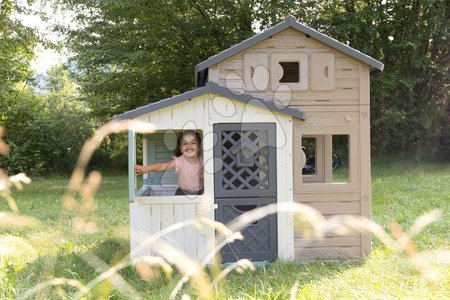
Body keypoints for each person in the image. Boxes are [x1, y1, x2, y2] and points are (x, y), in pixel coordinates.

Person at [134, 130, 204, 196]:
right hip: (182, 193)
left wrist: (204, 175)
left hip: (200, 192)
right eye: (185, 143)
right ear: (180, 148)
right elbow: (162, 166)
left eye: (193, 143)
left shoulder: (203, 161)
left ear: (199, 146)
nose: (189, 146)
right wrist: (145, 169)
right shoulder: (179, 161)